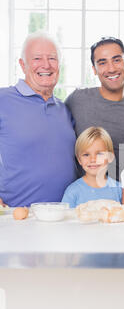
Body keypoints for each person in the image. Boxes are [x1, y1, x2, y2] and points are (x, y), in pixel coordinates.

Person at [0, 31, 77, 208]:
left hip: (64, 215)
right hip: (18, 217)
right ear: (22, 65)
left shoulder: (64, 109)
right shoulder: (3, 100)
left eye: (52, 58)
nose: (46, 65)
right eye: (37, 58)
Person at [65, 37, 124, 181]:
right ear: (94, 69)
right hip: (84, 197)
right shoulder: (77, 100)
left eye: (117, 60)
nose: (111, 68)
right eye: (102, 63)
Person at [62, 127, 122, 208]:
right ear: (79, 160)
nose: (93, 159)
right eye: (86, 155)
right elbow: (65, 218)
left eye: (99, 154)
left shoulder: (119, 189)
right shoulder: (73, 191)